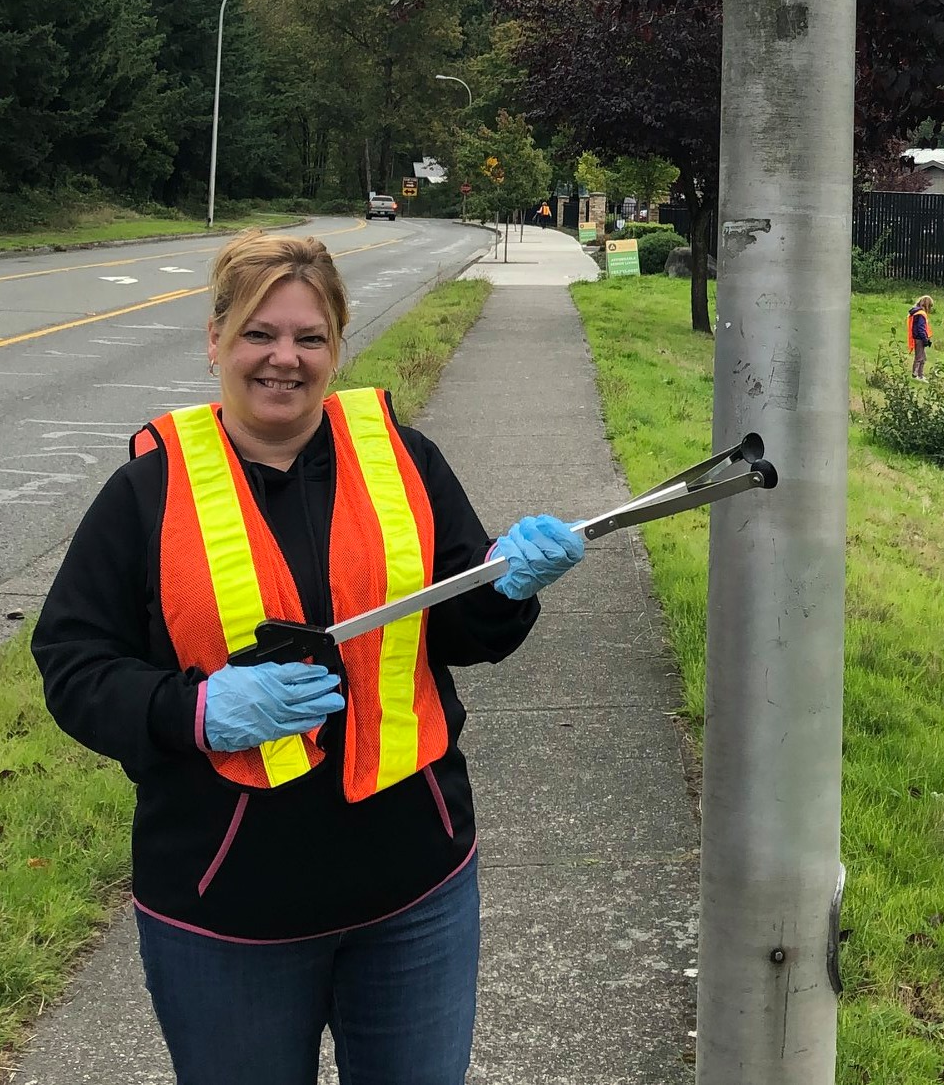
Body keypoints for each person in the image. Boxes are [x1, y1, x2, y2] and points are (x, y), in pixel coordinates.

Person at [33, 230, 587, 1085]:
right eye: (259, 334)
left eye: (309, 337)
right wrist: (197, 710)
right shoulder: (147, 492)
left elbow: (460, 629)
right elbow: (72, 665)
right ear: (215, 341)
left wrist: (506, 588)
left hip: (417, 893)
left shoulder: (404, 460)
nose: (283, 359)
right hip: (225, 914)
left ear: (337, 347)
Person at [906, 294, 935, 379]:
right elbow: (921, 328)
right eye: (930, 306)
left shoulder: (917, 313)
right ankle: (916, 375)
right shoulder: (921, 314)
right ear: (927, 305)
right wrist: (925, 339)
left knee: (922, 358)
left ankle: (920, 375)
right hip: (919, 338)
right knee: (919, 358)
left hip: (918, 338)